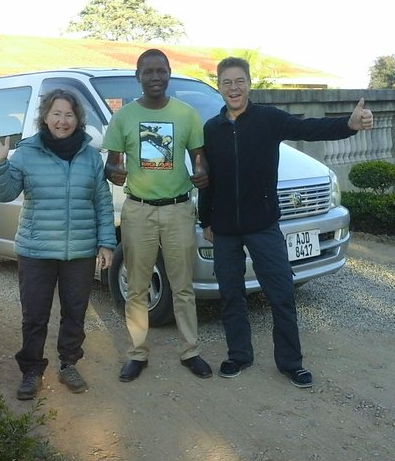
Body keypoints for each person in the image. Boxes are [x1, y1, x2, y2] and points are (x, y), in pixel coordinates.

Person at [199, 57, 374, 388]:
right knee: (231, 295)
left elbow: (308, 128)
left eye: (239, 81)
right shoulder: (212, 129)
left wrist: (348, 124)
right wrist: (206, 219)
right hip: (224, 229)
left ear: (249, 84)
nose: (233, 88)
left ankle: (290, 363)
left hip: (263, 225)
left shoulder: (267, 119)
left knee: (280, 293)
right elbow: (211, 180)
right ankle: (239, 355)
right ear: (219, 85)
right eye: (226, 82)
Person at [0, 89, 116, 399]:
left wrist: (106, 243)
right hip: (36, 250)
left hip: (79, 251)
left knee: (75, 312)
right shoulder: (27, 152)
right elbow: (4, 193)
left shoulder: (90, 155)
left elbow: (102, 201)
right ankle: (31, 370)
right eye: (56, 113)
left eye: (69, 114)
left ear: (77, 119)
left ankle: (69, 364)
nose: (62, 120)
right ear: (45, 116)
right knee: (34, 315)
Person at [103, 48, 212, 382]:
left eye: (160, 71)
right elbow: (111, 162)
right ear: (138, 77)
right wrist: (112, 172)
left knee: (182, 285)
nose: (155, 77)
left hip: (179, 208)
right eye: (148, 72)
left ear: (169, 73)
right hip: (138, 210)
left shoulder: (187, 115)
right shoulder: (124, 117)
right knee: (136, 286)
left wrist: (203, 174)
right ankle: (137, 353)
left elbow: (199, 158)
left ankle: (190, 350)